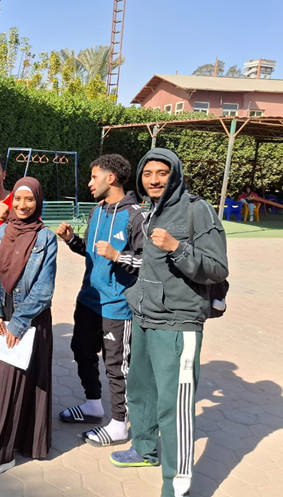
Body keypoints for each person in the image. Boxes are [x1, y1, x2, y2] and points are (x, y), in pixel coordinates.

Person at [110, 148, 228, 497]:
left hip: (178, 323)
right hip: (145, 316)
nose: (154, 180)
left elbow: (217, 268)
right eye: (148, 174)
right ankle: (144, 448)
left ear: (175, 174)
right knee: (141, 391)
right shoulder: (150, 212)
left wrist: (178, 247)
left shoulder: (197, 209)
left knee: (174, 407)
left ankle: (176, 486)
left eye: (162, 173)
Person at [56, 154, 146, 447]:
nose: (89, 183)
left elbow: (148, 263)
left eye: (94, 177)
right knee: (81, 350)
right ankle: (93, 405)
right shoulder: (97, 211)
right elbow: (92, 251)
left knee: (116, 366)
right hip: (88, 300)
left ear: (111, 177)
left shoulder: (136, 216)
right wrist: (72, 240)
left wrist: (118, 256)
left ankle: (120, 424)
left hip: (117, 306)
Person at [0, 177, 57, 477]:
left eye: (29, 199)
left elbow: (44, 289)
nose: (23, 205)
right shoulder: (1, 232)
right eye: (18, 199)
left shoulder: (46, 237)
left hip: (29, 318)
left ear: (38, 202)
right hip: (1, 315)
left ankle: (2, 454)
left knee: (17, 383)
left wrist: (19, 322)